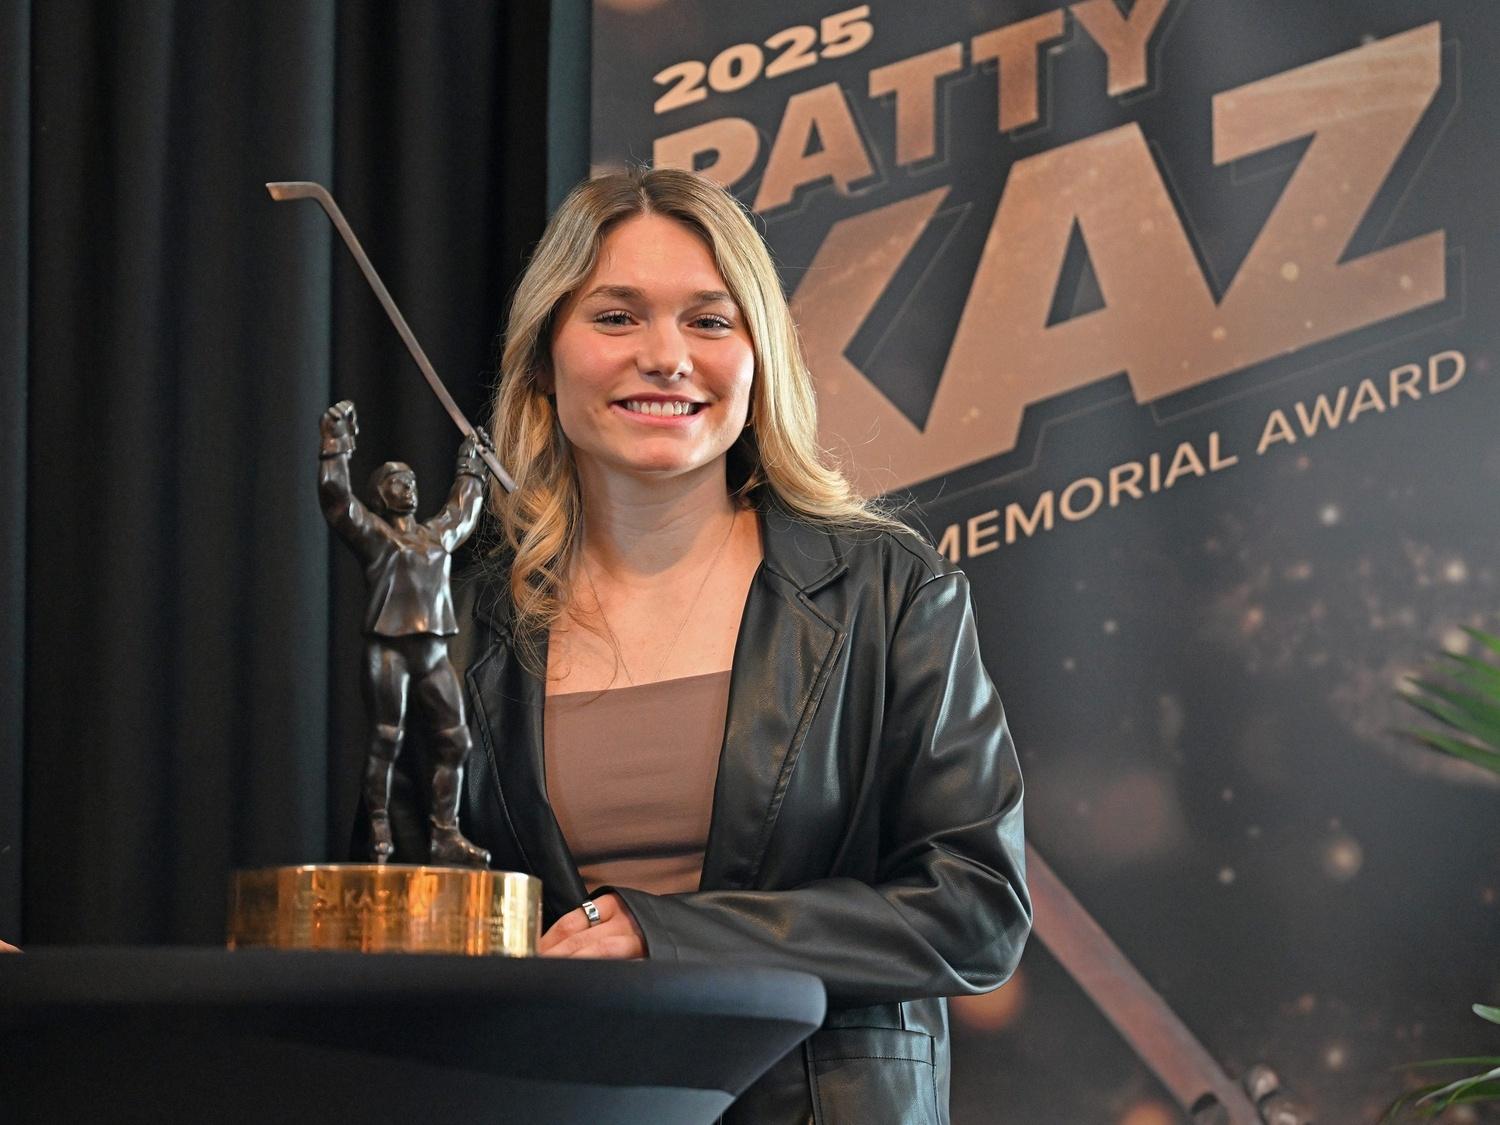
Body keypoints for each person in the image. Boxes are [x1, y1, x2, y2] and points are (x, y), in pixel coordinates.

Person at [448, 167, 1030, 1123]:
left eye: (709, 321)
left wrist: (670, 935)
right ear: (544, 360)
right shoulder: (466, 618)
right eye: (616, 317)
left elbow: (977, 908)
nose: (666, 356)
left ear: (760, 357)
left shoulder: (890, 590)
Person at [318, 401, 492, 867]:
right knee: (386, 739)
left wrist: (471, 464)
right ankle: (379, 825)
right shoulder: (377, 537)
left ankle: (445, 833)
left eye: (411, 480)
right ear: (379, 495)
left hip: (433, 653)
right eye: (397, 481)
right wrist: (336, 443)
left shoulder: (435, 537)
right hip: (389, 651)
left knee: (455, 741)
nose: (408, 486)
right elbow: (337, 500)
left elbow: (462, 511)